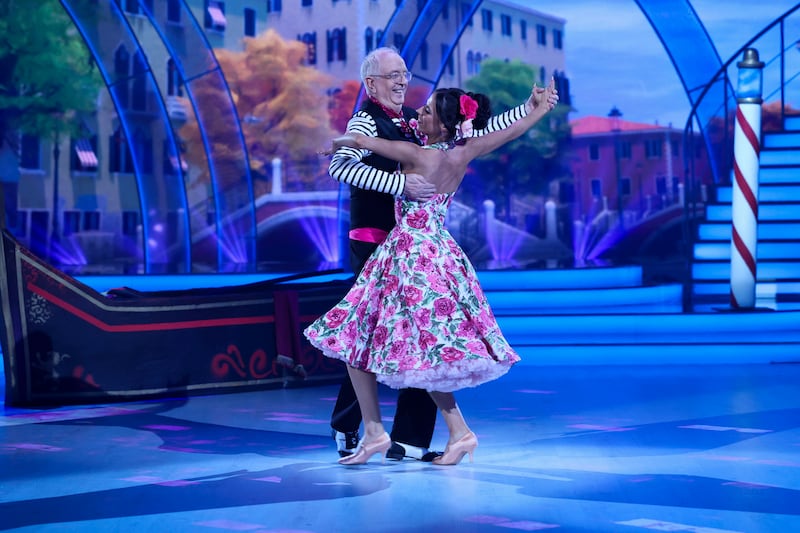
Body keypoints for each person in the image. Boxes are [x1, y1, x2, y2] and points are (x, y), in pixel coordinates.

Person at [306, 78, 559, 466]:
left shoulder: (417, 155)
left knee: (357, 333)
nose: (417, 114)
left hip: (409, 257)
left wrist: (340, 143)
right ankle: (444, 433)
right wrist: (537, 108)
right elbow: (507, 133)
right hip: (438, 253)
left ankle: (387, 431)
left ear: (442, 124)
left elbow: (373, 145)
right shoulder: (464, 150)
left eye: (426, 112)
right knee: (411, 348)